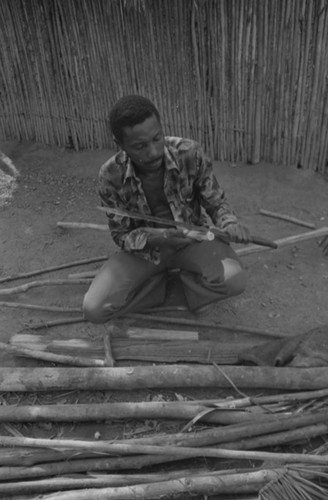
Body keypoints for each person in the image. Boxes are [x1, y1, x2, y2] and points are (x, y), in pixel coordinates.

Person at [83, 95, 251, 323]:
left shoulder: (189, 153)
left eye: (157, 138)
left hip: (194, 240)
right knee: (94, 309)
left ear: (162, 129)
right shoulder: (110, 175)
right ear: (120, 144)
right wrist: (159, 237)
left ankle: (192, 290)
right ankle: (156, 289)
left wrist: (229, 222)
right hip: (147, 250)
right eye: (139, 146)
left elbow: (215, 201)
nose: (153, 152)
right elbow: (121, 236)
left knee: (234, 279)